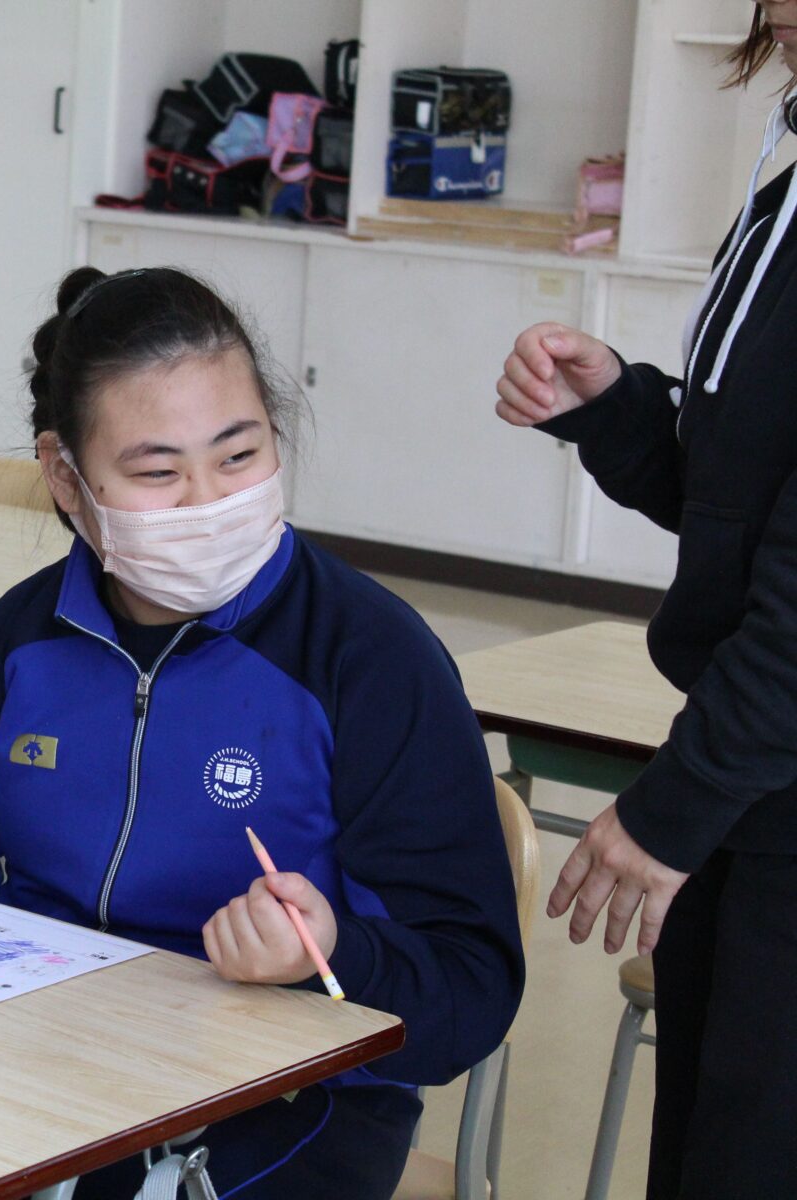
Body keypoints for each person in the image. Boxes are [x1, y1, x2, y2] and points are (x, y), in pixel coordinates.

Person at [0, 265, 523, 1198]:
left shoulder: (370, 660)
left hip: (292, 1103)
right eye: (157, 472)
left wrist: (330, 954)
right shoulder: (4, 654)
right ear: (64, 475)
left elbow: (469, 992)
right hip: (31, 1068)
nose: (208, 502)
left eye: (238, 456)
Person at [493, 5, 797, 1194]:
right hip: (753, 776)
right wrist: (616, 402)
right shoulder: (779, 189)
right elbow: (741, 501)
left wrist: (680, 804)